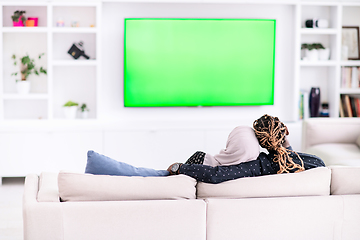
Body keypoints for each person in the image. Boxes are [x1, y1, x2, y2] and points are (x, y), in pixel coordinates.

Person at [166, 114, 325, 183]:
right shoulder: (315, 163)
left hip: (197, 165)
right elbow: (288, 155)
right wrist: (282, 141)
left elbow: (216, 175)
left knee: (162, 174)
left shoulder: (259, 165)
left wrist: (181, 168)